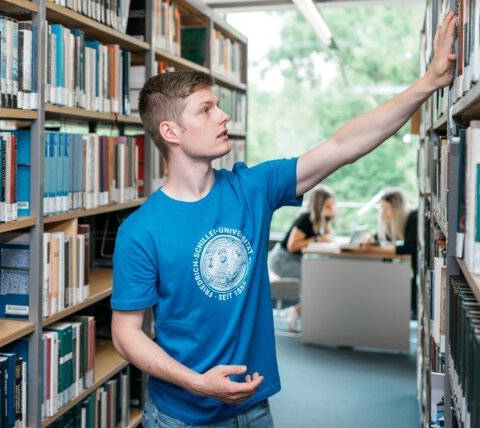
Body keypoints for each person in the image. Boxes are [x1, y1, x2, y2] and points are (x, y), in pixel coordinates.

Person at [110, 13, 456, 428]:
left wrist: (429, 82)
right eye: (206, 110)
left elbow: (343, 145)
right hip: (179, 416)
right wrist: (198, 383)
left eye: (219, 106)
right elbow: (126, 335)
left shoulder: (253, 188)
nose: (223, 117)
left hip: (254, 410)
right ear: (171, 131)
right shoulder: (140, 231)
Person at [268, 185, 337, 331]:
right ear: (320, 205)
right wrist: (317, 239)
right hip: (282, 261)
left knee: (323, 276)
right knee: (318, 277)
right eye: (328, 204)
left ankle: (297, 310)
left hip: (294, 260)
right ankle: (296, 311)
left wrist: (329, 217)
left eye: (332, 204)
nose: (332, 207)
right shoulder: (305, 218)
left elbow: (329, 237)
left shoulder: (319, 220)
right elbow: (293, 245)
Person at [358, 188, 418, 317]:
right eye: (382, 209)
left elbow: (408, 248)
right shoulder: (401, 221)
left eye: (386, 208)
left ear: (397, 209)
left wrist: (373, 249)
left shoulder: (414, 218)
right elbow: (385, 236)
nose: (383, 213)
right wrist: (371, 239)